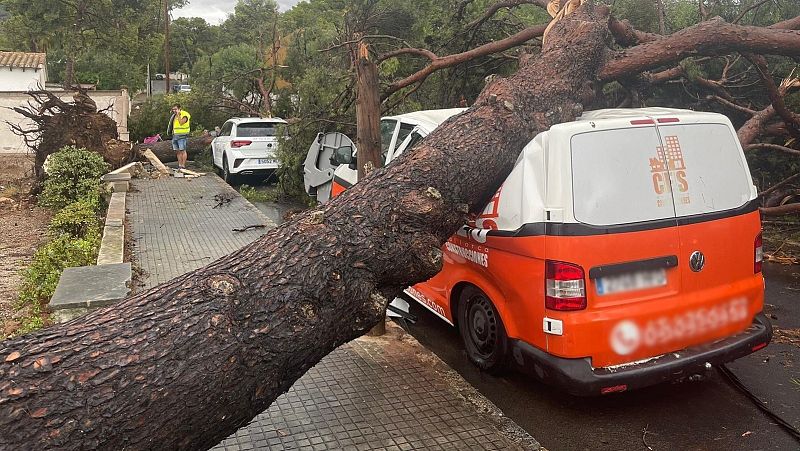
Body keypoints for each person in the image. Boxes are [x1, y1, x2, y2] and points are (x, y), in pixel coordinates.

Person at [170, 104, 191, 170]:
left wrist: (178, 114)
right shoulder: (174, 116)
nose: (174, 111)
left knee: (183, 150)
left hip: (182, 135)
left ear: (179, 109)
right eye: (173, 109)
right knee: (177, 151)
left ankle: (183, 165)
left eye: (175, 109)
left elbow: (181, 122)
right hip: (175, 135)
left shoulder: (185, 114)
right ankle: (180, 165)